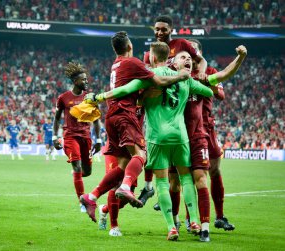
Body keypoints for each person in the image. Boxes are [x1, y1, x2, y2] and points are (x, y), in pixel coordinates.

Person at [79, 31, 189, 233]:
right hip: (124, 115)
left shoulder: (117, 64)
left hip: (112, 116)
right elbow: (160, 81)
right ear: (129, 46)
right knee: (141, 155)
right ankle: (125, 187)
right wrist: (181, 75)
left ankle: (91, 196)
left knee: (122, 166)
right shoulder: (133, 64)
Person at [139, 14, 209, 206]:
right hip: (159, 109)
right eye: (157, 29)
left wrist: (201, 71)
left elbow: (201, 61)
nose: (159, 32)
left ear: (171, 30)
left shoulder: (182, 44)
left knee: (183, 171)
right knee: (154, 149)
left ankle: (187, 214)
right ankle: (149, 186)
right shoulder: (150, 53)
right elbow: (147, 77)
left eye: (163, 29)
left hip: (180, 105)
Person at [188, 39, 236, 232]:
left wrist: (209, 82)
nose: (191, 53)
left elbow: (221, 96)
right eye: (188, 50)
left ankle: (220, 216)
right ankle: (190, 219)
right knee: (192, 175)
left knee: (215, 170)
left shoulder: (211, 71)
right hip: (188, 128)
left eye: (194, 50)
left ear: (201, 52)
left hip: (208, 127)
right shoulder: (182, 71)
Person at [52, 61, 102, 212]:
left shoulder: (90, 97)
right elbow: (57, 118)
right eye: (83, 79)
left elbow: (96, 120)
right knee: (78, 166)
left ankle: (76, 174)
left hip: (85, 137)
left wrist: (98, 139)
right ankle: (82, 201)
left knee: (86, 172)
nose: (86, 82)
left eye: (87, 79)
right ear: (75, 81)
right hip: (70, 136)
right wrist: (55, 137)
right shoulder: (64, 98)